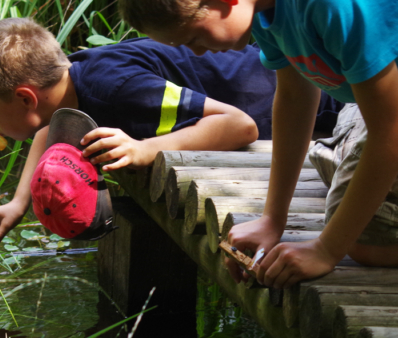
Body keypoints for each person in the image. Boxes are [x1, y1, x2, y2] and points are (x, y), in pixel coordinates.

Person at [0, 17, 341, 247]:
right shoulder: (69, 82)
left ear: (26, 97)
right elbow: (49, 132)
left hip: (314, 109)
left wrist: (146, 148)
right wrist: (17, 203)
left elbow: (239, 126)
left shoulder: (115, 88)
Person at [119, 0, 398, 287]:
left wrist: (326, 249)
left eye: (193, 39)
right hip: (373, 101)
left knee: (366, 241)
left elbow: (390, 132)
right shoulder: (265, 11)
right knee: (344, 178)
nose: (197, 52)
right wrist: (272, 219)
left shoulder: (330, 6)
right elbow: (294, 96)